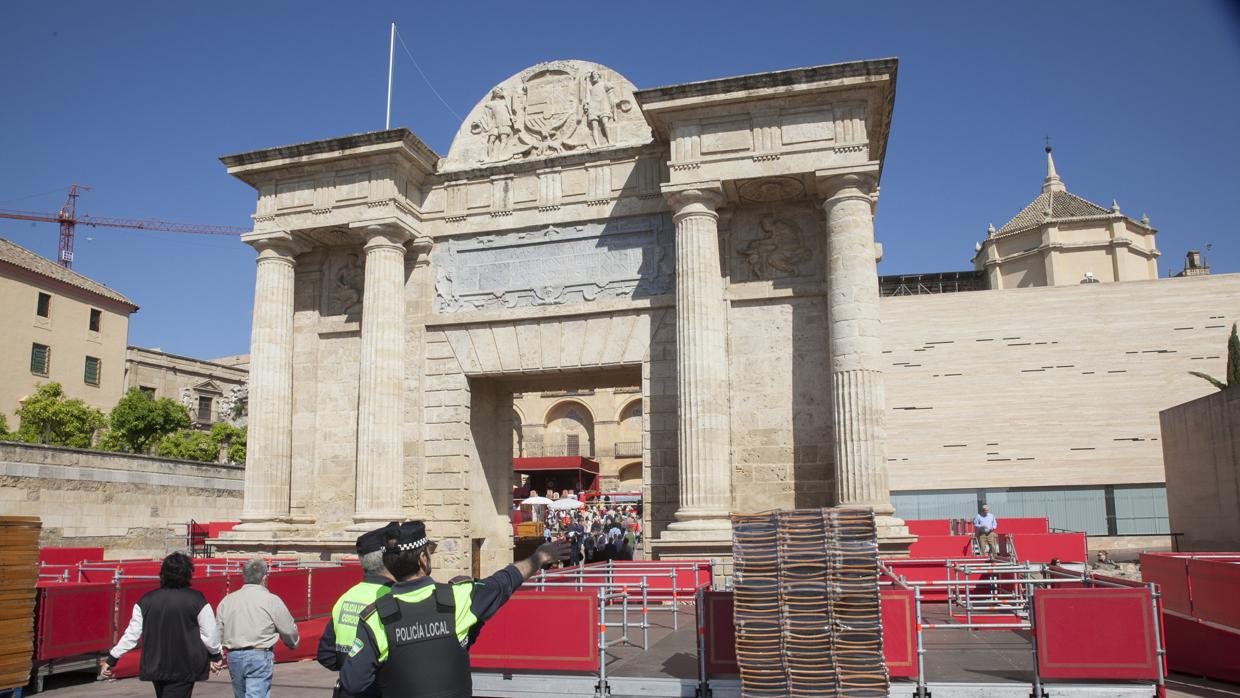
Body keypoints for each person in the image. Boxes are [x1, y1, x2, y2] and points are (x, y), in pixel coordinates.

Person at [340, 521, 570, 698]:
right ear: (422, 559)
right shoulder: (457, 598)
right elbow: (504, 581)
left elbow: (354, 682)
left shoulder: (375, 616)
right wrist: (540, 557)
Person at [100, 552, 223, 698]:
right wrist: (215, 655)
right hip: (184, 665)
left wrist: (112, 659)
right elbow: (209, 634)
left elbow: (132, 635)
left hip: (155, 663)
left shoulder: (145, 600)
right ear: (188, 574)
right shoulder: (197, 599)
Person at [317, 524, 399, 694]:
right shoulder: (393, 597)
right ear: (387, 559)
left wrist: (349, 668)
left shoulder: (346, 597)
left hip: (348, 688)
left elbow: (326, 655)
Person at [216, 558, 299, 698]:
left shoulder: (228, 600)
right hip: (259, 654)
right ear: (264, 577)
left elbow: (218, 630)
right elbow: (288, 629)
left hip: (234, 655)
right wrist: (292, 643)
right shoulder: (271, 600)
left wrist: (216, 655)